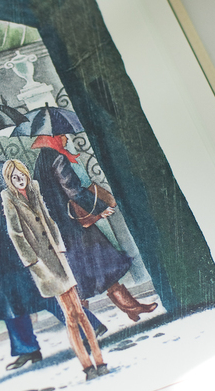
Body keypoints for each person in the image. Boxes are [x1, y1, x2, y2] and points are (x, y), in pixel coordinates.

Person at [0, 142, 105, 370]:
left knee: (45, 292)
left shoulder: (1, 169)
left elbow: (27, 202)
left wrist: (2, 210)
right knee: (7, 299)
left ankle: (88, 327)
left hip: (22, 246)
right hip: (1, 249)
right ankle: (27, 349)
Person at [31, 134, 158, 322]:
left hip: (62, 227)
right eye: (62, 135)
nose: (66, 138)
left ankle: (126, 308)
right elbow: (73, 190)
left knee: (92, 268)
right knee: (94, 267)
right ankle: (89, 322)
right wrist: (99, 207)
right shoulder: (56, 157)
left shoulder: (41, 160)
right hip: (74, 225)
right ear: (53, 137)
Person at [1, 160, 107, 380]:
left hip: (59, 258)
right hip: (42, 265)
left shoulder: (34, 188)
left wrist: (59, 247)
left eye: (22, 175)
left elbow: (48, 219)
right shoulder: (9, 197)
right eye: (14, 178)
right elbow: (15, 233)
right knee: (70, 316)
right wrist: (33, 262)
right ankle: (87, 366)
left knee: (80, 312)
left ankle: (99, 360)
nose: (20, 180)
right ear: (9, 181)